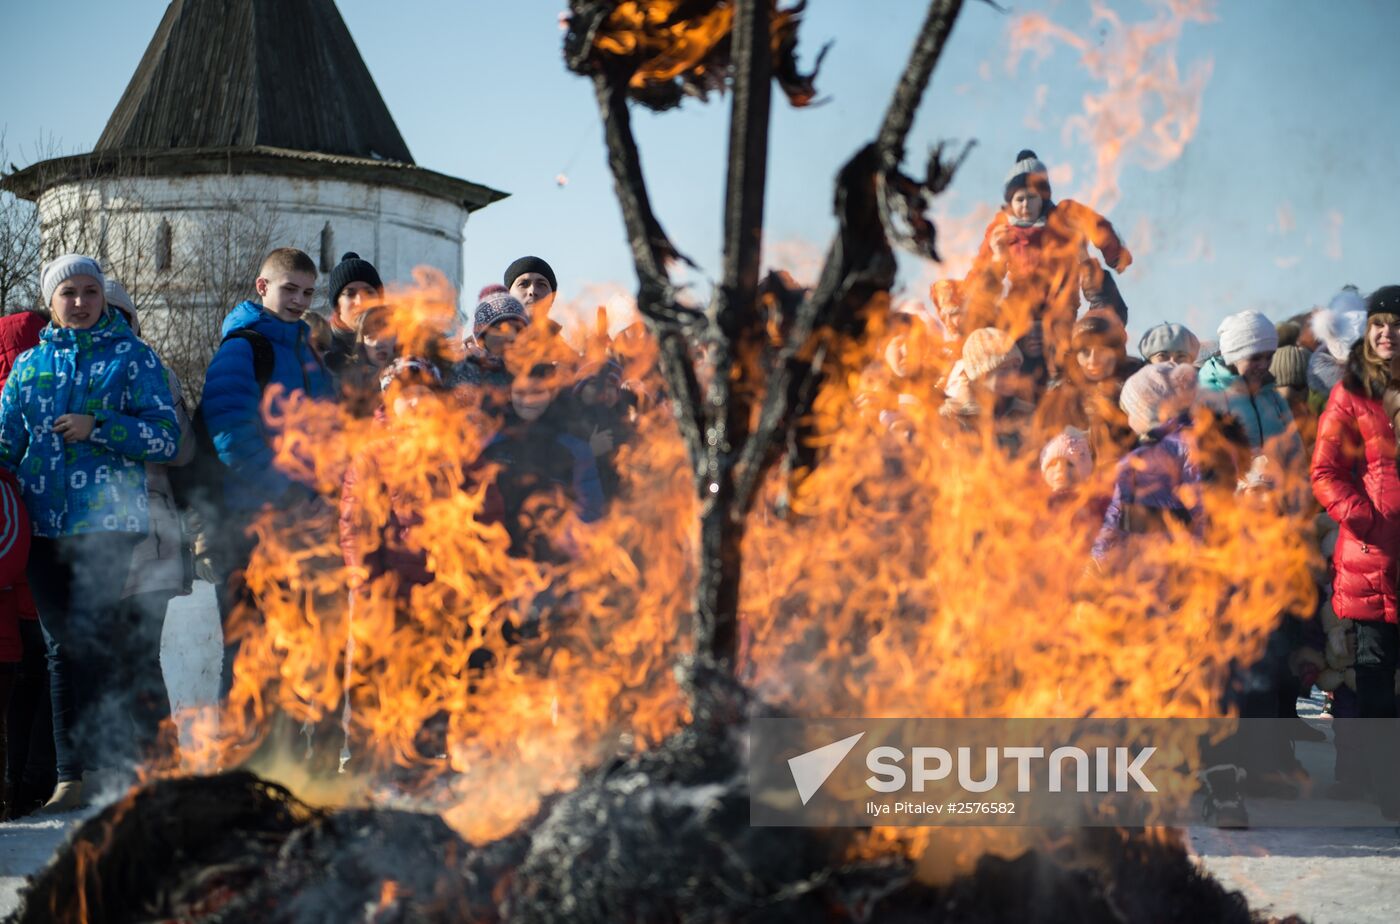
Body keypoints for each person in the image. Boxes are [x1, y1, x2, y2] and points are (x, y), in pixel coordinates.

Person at [0, 255, 179, 811]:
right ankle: (69, 778)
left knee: (94, 641)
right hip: (44, 525)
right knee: (60, 649)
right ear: (50, 301)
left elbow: (167, 437)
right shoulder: (29, 365)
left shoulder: (133, 356)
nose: (80, 302)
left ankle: (111, 767)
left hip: (108, 523)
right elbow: (5, 443)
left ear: (103, 297)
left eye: (90, 292)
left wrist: (99, 427)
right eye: (68, 293)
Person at [201, 248, 336, 698]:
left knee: (291, 649)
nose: (299, 300)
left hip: (302, 527)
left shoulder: (308, 354)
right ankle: (237, 744)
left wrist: (325, 493)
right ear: (263, 287)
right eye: (289, 289)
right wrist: (289, 493)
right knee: (246, 652)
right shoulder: (242, 349)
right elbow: (231, 437)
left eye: (308, 293)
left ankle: (282, 744)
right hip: (247, 525)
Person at [1310, 284, 1400, 819]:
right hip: (1373, 554)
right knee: (1374, 675)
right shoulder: (1350, 394)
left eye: (1398, 326)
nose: (1388, 334)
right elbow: (1325, 471)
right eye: (1380, 324)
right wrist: (1366, 519)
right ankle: (1385, 788)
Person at [104, 280, 197, 768]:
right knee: (99, 657)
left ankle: (161, 763)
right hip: (87, 538)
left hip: (151, 536)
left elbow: (183, 451)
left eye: (120, 315)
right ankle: (115, 764)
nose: (111, 324)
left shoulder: (156, 371)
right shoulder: (66, 372)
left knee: (138, 655)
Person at [965, 150, 1133, 373]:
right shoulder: (1003, 226)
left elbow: (1098, 225)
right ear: (1010, 202)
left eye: (1032, 198)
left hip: (1059, 297)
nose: (1026, 205)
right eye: (1020, 199)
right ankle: (1023, 369)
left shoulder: (1063, 215)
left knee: (1057, 343)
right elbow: (982, 260)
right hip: (1022, 299)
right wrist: (970, 285)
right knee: (1017, 333)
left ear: (1043, 198)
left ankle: (1058, 370)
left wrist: (1115, 254)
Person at [482, 363, 605, 562]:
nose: (528, 400)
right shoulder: (494, 444)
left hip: (556, 551)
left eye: (537, 392)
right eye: (520, 393)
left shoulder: (572, 446)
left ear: (551, 393)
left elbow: (590, 505)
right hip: (502, 552)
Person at [1090, 363, 1203, 567]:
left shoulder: (1186, 446)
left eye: (1130, 413)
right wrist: (1100, 554)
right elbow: (1118, 509)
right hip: (1142, 555)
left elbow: (1200, 504)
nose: (1129, 421)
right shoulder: (1139, 452)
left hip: (1176, 555)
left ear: (1147, 410)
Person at [1198, 310, 1307, 508]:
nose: (1264, 365)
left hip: (1277, 506)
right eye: (1255, 358)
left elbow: (1295, 451)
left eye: (1269, 357)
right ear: (1233, 356)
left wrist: (1297, 498)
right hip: (1233, 509)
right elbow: (1204, 463)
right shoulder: (1208, 397)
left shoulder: (1272, 396)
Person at [1035, 309, 1139, 469]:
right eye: (1085, 352)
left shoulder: (1136, 389)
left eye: (1101, 350)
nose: (1093, 360)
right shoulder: (1061, 396)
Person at [940, 327, 1034, 457]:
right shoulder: (952, 417)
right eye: (1004, 368)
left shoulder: (1026, 414)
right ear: (980, 376)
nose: (1013, 375)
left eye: (1015, 366)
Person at [449, 289, 530, 411]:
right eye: (501, 329)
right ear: (483, 337)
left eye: (518, 329)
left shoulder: (535, 372)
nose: (512, 336)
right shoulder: (464, 370)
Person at [324, 252, 385, 376]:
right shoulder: (320, 347)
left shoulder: (398, 343)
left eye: (369, 292)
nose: (360, 302)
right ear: (337, 305)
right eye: (350, 294)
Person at [504, 256, 558, 321]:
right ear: (507, 294)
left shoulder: (567, 326)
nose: (532, 291)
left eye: (541, 284)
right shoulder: (495, 327)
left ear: (553, 297)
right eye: (523, 284)